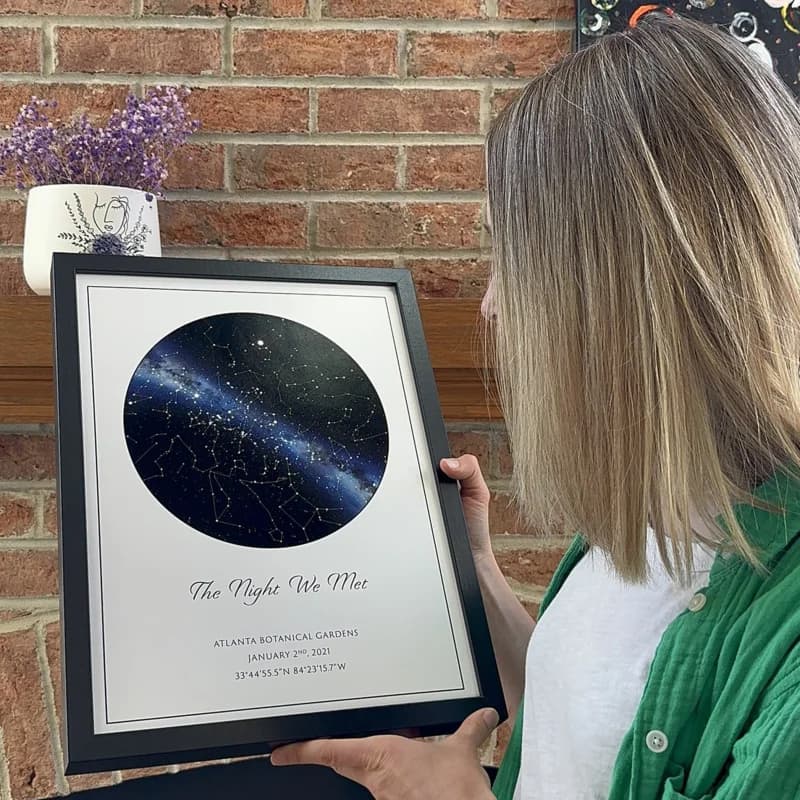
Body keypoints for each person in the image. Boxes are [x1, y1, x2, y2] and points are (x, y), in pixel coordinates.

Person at [271, 12, 800, 799]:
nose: (489, 303)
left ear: (615, 287)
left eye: (514, 259)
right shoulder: (662, 507)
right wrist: (477, 568)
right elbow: (579, 715)